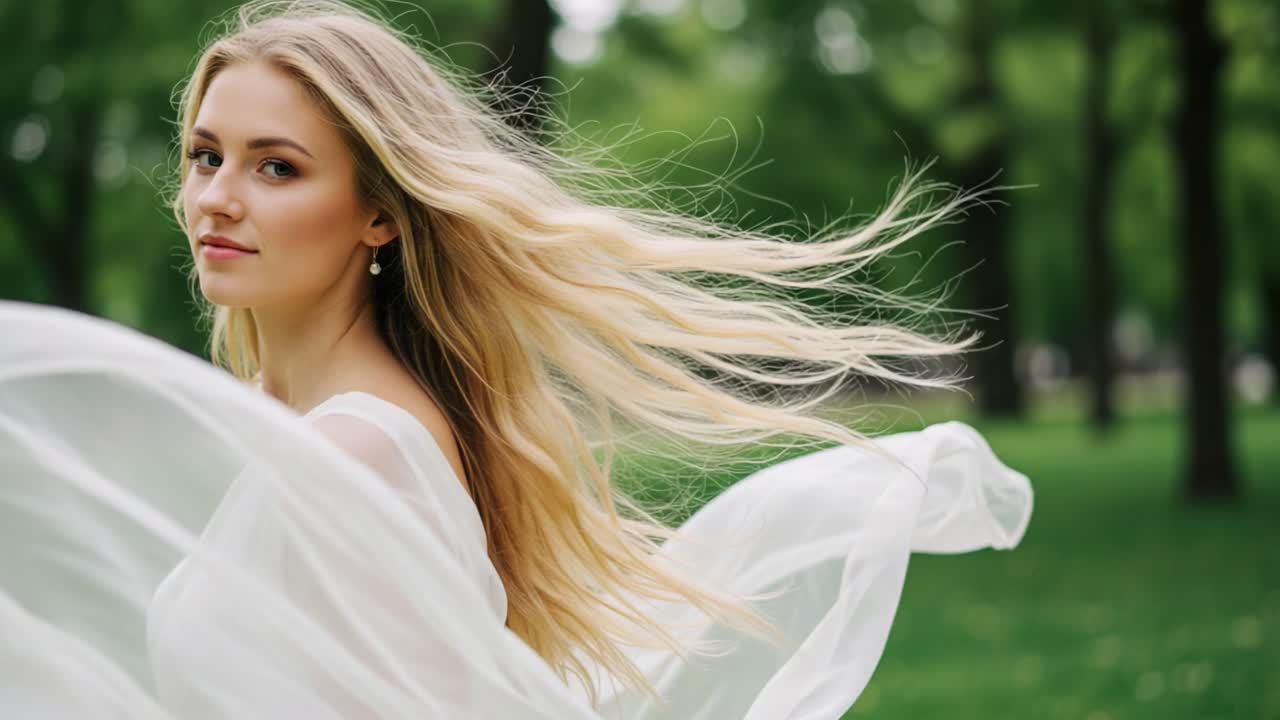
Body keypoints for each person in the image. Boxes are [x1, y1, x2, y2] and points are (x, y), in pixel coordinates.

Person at [0, 0, 1033, 718]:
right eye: (206, 154)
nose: (217, 196)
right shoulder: (302, 424)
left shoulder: (364, 452)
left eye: (276, 166)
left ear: (377, 213)